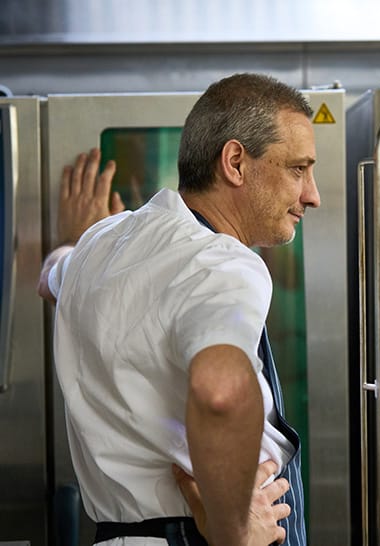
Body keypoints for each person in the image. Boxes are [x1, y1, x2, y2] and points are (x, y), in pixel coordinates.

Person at [38, 73, 320, 546]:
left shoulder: (102, 241)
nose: (312, 194)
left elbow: (50, 277)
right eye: (297, 169)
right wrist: (233, 534)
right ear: (235, 162)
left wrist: (76, 238)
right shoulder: (224, 263)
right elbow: (220, 391)